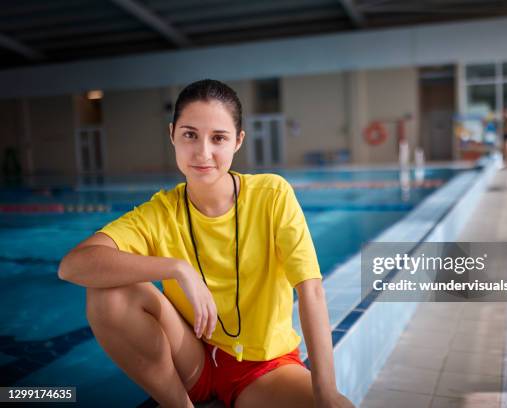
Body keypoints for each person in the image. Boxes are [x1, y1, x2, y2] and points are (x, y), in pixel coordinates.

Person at [58, 79, 354, 408]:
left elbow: (310, 290)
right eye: (190, 135)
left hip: (265, 368)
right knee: (107, 293)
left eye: (218, 138)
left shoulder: (272, 195)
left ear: (238, 141)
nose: (203, 152)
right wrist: (177, 267)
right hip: (193, 360)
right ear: (172, 134)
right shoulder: (161, 212)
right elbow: (73, 265)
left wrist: (325, 392)